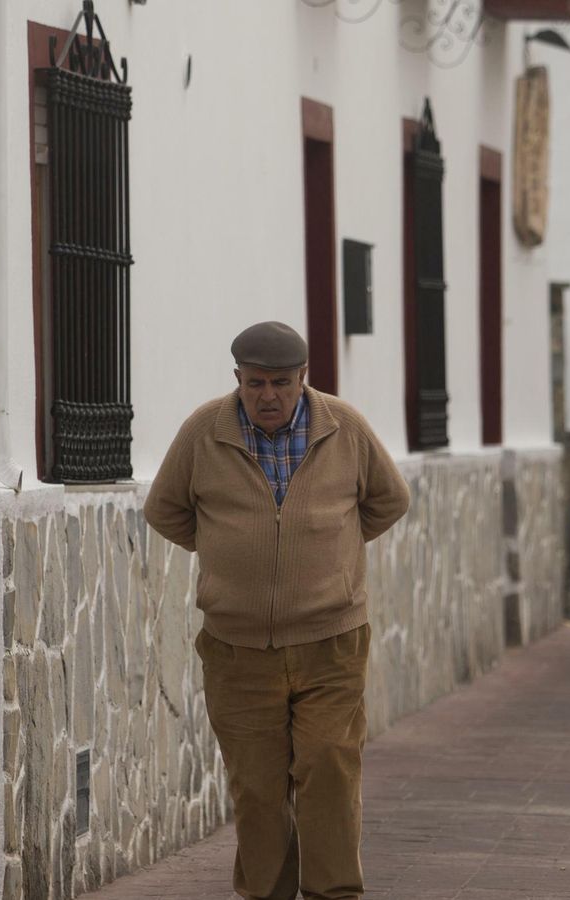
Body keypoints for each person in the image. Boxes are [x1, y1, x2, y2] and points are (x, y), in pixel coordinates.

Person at [143, 321, 411, 900]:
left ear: (303, 379)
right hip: (237, 650)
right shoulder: (203, 432)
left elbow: (389, 499)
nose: (268, 395)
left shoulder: (345, 427)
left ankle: (332, 893)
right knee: (258, 789)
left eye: (282, 383)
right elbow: (164, 509)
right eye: (256, 382)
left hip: (331, 640)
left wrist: (329, 554)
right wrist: (224, 550)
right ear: (237, 378)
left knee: (329, 771)